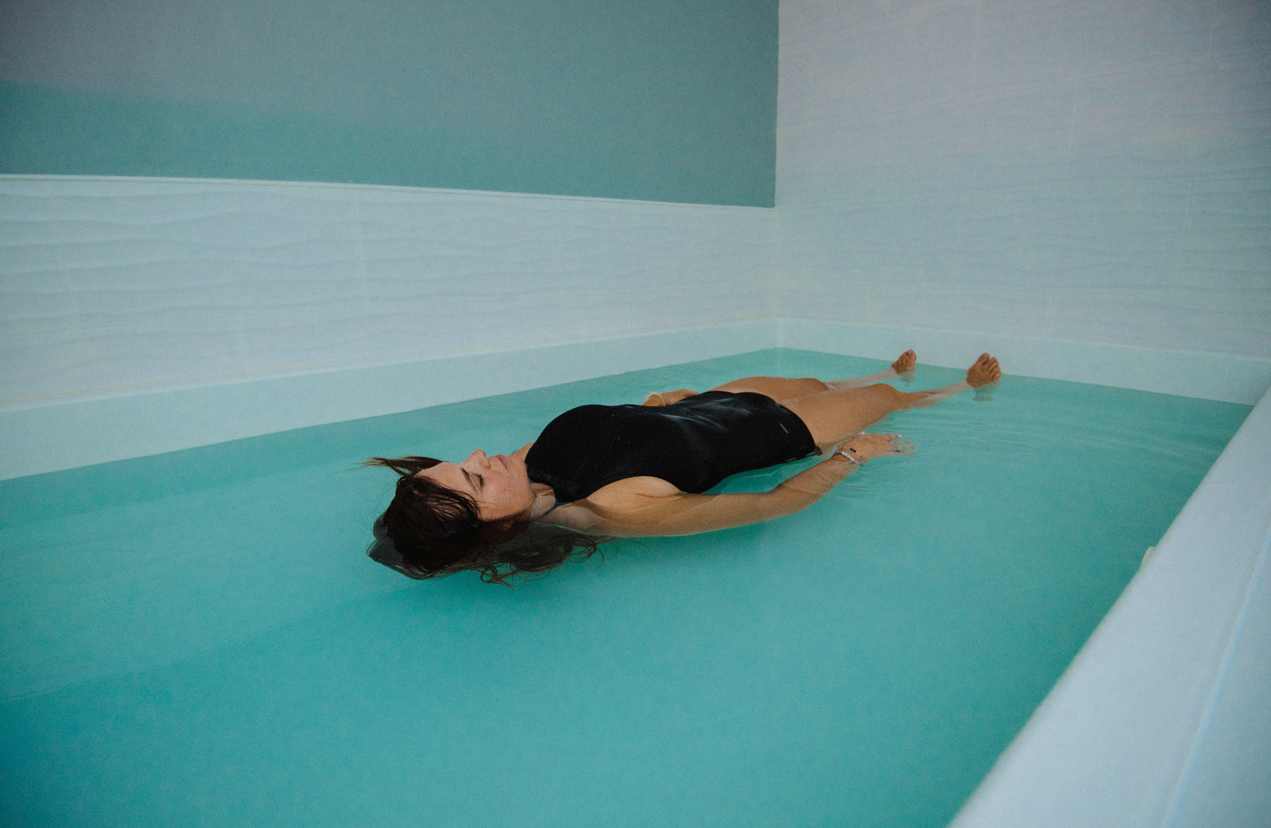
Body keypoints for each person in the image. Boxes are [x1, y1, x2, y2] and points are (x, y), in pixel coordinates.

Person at [366, 351, 1002, 584]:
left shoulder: (525, 466)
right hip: (785, 433)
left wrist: (663, 404)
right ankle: (952, 388)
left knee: (814, 377)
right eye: (475, 478)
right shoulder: (615, 511)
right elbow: (771, 504)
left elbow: (607, 430)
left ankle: (885, 367)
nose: (480, 456)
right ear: (499, 528)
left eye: (462, 462)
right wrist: (853, 455)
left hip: (711, 400)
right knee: (887, 406)